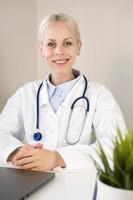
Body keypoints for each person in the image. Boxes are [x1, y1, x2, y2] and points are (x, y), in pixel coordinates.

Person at [0, 13, 127, 172]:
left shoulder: (99, 95)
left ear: (78, 47)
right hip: (30, 184)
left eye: (67, 43)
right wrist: (16, 152)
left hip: (78, 189)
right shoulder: (25, 94)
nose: (59, 51)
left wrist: (58, 158)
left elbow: (116, 149)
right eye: (51, 44)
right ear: (41, 48)